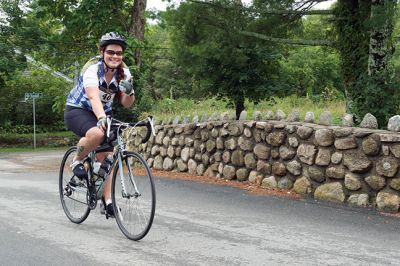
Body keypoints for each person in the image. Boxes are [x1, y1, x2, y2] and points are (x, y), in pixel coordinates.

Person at [64, 32, 135, 217]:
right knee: (96, 134)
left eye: (119, 53)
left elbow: (127, 104)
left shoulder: (124, 73)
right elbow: (93, 97)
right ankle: (77, 161)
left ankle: (108, 201)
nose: (115, 56)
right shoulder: (92, 70)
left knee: (108, 157)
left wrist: (130, 92)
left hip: (104, 112)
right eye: (110, 52)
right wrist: (102, 118)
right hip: (78, 109)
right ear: (102, 52)